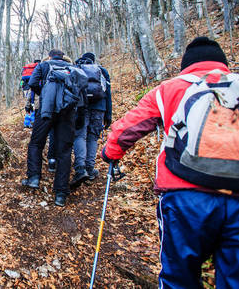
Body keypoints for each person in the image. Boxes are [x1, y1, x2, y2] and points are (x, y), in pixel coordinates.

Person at [101, 37, 239, 288]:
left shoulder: (170, 88)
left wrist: (110, 153)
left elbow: (129, 127)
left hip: (185, 196)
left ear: (186, 64)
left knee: (179, 276)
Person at [21, 49, 87, 206]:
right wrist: (80, 117)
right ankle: (60, 194)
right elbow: (81, 93)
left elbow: (32, 83)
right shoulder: (73, 69)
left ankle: (34, 177)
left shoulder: (43, 66)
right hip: (68, 112)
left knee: (36, 144)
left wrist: (44, 93)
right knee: (64, 152)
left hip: (46, 110)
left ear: (50, 56)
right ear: (63, 57)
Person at [70, 52, 112, 188]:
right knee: (93, 137)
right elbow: (108, 93)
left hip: (81, 106)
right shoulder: (102, 70)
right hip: (99, 108)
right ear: (93, 60)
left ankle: (80, 168)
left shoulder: (77, 68)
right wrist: (108, 115)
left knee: (80, 136)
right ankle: (90, 168)